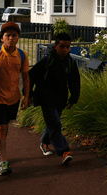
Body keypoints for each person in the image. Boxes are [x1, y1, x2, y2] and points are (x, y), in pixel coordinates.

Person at [0, 21, 30, 176]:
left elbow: (26, 76)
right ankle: (3, 160)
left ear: (18, 38)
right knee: (0, 126)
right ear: (2, 38)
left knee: (6, 125)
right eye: (8, 35)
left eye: (14, 35)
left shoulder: (22, 55)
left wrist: (26, 96)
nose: (11, 38)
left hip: (13, 97)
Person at [29, 32, 80, 165]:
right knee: (55, 124)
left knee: (53, 122)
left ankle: (44, 142)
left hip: (60, 98)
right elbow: (31, 75)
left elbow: (74, 80)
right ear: (55, 46)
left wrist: (73, 98)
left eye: (68, 47)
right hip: (45, 97)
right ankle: (63, 151)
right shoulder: (47, 60)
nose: (65, 50)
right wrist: (28, 95)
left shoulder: (70, 62)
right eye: (62, 46)